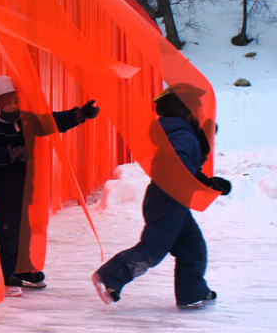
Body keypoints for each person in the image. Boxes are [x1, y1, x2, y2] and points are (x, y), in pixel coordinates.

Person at [92, 84, 231, 309]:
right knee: (152, 250)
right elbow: (175, 166)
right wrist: (204, 181)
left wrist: (206, 173)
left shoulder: (181, 134)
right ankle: (109, 278)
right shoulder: (183, 135)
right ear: (185, 111)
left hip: (173, 200)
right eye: (196, 109)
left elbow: (181, 166)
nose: (201, 114)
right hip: (167, 201)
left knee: (193, 248)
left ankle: (192, 293)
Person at [0, 75, 100, 297]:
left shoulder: (22, 121)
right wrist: (9, 154)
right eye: (9, 103)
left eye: (15, 101)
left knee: (23, 231)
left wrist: (78, 115)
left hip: (21, 190)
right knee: (4, 234)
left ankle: (19, 269)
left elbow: (48, 122)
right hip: (0, 193)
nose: (14, 106)